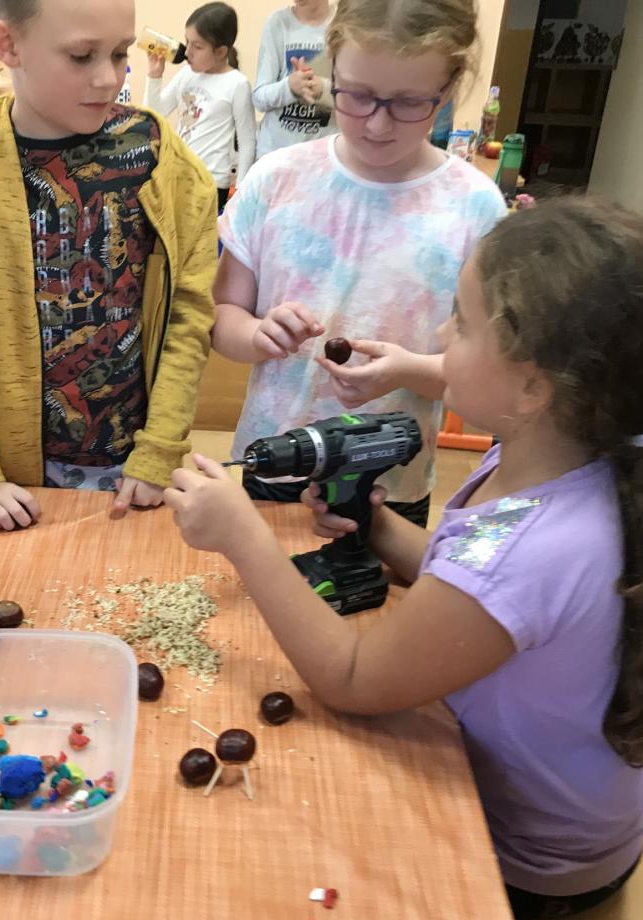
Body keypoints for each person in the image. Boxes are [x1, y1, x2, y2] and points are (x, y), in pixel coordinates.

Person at [167, 198, 643, 920]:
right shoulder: (561, 460)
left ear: (534, 386)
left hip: (525, 864)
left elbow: (352, 677)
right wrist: (377, 527)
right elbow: (467, 578)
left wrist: (243, 536)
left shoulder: (532, 549)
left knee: (263, 847)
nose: (438, 335)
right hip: (570, 814)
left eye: (461, 323)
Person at [0, 0, 217, 531]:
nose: (108, 78)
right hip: (11, 480)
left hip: (136, 469)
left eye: (120, 53)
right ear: (9, 45)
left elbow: (188, 314)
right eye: (81, 56)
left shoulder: (156, 151)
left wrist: (160, 449)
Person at [214, 0, 506, 526]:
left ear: (448, 88)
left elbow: (490, 375)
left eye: (409, 102)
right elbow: (222, 318)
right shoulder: (276, 180)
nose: (377, 123)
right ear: (332, 68)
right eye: (357, 95)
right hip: (278, 462)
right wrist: (258, 334)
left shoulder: (475, 208)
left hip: (391, 482)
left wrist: (408, 371)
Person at [144, 2, 256, 209]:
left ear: (221, 52)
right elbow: (153, 116)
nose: (187, 52)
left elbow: (247, 141)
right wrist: (154, 76)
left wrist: (241, 191)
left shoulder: (237, 84)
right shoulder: (186, 74)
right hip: (177, 176)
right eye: (187, 42)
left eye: (197, 46)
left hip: (210, 183)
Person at [254, 0, 335, 159]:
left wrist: (323, 89)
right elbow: (259, 97)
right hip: (275, 155)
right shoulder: (277, 23)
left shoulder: (343, 24)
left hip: (322, 158)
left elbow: (357, 96)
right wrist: (289, 87)